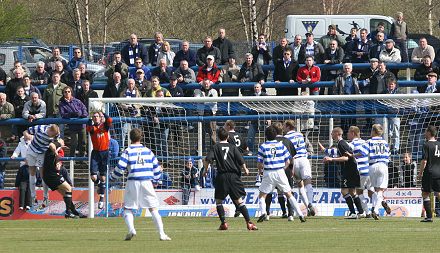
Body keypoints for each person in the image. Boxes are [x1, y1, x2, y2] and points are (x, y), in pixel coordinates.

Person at [109, 128, 171, 241]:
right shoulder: (148, 151)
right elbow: (157, 169)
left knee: (128, 208)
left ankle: (131, 229)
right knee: (153, 208)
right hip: (147, 181)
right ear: (141, 137)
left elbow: (120, 167)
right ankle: (162, 234)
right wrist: (156, 181)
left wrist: (112, 177)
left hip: (133, 181)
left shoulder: (128, 151)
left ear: (130, 138)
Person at [203, 127, 258, 230]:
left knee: (219, 201)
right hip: (233, 176)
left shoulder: (215, 147)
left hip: (222, 176)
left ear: (218, 137)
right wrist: (245, 169)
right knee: (239, 201)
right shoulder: (233, 147)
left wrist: (205, 170)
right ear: (228, 137)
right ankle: (249, 223)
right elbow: (240, 159)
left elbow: (207, 160)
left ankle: (224, 223)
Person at [256, 126, 305, 223]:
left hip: (268, 172)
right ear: (275, 135)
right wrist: (283, 168)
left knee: (262, 195)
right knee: (289, 194)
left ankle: (263, 213)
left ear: (266, 135)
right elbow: (289, 160)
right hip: (280, 171)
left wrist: (260, 170)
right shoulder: (281, 145)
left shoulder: (263, 146)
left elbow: (259, 163)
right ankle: (300, 214)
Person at [324, 127, 364, 219]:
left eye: (332, 133)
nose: (331, 135)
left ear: (337, 133)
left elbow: (346, 158)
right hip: (352, 169)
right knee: (352, 191)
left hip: (349, 170)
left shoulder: (341, 143)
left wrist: (331, 159)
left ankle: (353, 213)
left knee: (344, 191)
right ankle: (361, 212)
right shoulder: (341, 144)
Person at [43, 140, 85, 218]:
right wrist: (57, 150)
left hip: (48, 176)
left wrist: (58, 162)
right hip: (52, 175)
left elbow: (58, 163)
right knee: (68, 188)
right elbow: (51, 145)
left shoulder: (60, 151)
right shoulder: (54, 146)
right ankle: (68, 212)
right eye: (62, 141)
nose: (63, 142)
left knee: (65, 193)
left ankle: (74, 211)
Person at [264, 122, 296, 220]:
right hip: (286, 169)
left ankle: (268, 213)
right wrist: (292, 169)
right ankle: (290, 214)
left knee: (269, 191)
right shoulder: (287, 141)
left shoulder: (269, 141)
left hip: (272, 168)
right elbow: (292, 157)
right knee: (288, 191)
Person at [284, 120, 315, 216]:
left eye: (285, 126)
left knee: (299, 184)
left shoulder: (286, 137)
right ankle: (310, 204)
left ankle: (308, 206)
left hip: (294, 161)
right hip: (304, 160)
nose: (284, 128)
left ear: (288, 127)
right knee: (308, 182)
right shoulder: (300, 135)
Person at [23, 124, 60, 205]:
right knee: (32, 172)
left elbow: (57, 141)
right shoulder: (40, 128)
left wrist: (54, 147)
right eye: (52, 135)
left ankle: (46, 196)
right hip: (32, 150)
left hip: (42, 153)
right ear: (50, 130)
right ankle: (33, 196)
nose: (52, 137)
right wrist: (28, 136)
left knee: (43, 174)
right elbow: (25, 132)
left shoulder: (56, 134)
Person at [87, 111, 112, 209]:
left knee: (103, 177)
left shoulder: (105, 126)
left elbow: (109, 120)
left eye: (97, 116)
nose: (96, 118)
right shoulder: (92, 128)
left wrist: (104, 113)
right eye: (94, 117)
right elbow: (88, 128)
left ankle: (101, 198)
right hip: (96, 153)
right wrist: (89, 118)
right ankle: (99, 185)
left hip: (105, 153)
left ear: (100, 118)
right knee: (93, 177)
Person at [365, 124, 392, 220]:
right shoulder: (385, 142)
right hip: (383, 165)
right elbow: (388, 155)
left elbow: (362, 152)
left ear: (373, 131)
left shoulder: (369, 141)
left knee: (373, 190)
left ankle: (374, 208)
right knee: (380, 190)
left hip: (372, 166)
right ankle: (376, 209)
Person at [347, 126, 373, 217]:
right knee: (371, 192)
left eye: (348, 133)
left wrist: (326, 151)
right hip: (369, 170)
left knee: (359, 192)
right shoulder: (365, 142)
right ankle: (377, 206)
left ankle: (367, 212)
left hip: (360, 171)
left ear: (353, 133)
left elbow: (340, 150)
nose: (347, 134)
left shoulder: (352, 144)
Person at [417, 125, 440, 222]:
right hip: (439, 172)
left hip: (429, 172)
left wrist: (420, 172)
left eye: (426, 131)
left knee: (425, 193)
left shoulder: (426, 145)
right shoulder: (439, 144)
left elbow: (424, 161)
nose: (424, 133)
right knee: (438, 193)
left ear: (429, 133)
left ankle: (429, 217)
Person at [59, 86, 88, 158]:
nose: (67, 93)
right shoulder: (62, 104)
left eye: (68, 91)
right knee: (74, 143)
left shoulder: (77, 101)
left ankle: (82, 157)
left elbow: (84, 109)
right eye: (65, 92)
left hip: (81, 125)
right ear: (63, 93)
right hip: (72, 126)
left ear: (71, 92)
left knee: (83, 142)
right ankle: (72, 158)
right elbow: (63, 114)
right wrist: (72, 114)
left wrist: (82, 115)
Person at [334, 62, 360, 133]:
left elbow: (357, 88)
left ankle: (353, 133)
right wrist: (337, 99)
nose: (347, 70)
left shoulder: (354, 77)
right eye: (345, 68)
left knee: (353, 117)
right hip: (343, 101)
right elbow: (335, 89)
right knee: (343, 118)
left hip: (352, 100)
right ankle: (344, 132)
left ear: (351, 69)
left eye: (348, 68)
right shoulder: (339, 78)